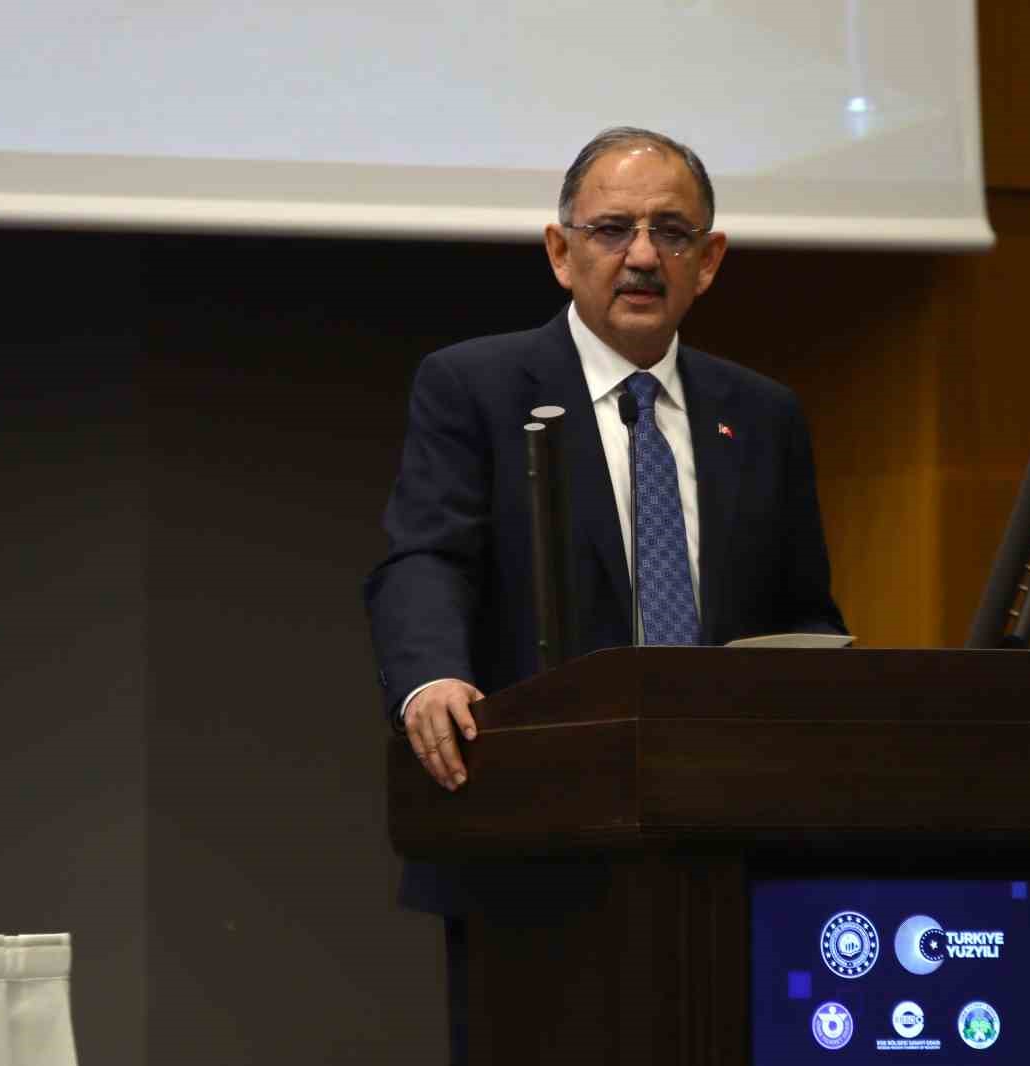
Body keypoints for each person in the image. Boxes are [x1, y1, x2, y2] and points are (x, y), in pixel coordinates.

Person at [363, 127, 847, 1060]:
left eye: (672, 232)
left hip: (727, 848)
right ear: (561, 251)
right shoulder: (475, 386)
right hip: (532, 851)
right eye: (612, 229)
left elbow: (805, 612)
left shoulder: (762, 415)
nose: (642, 256)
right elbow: (425, 558)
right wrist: (430, 679)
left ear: (709, 261)